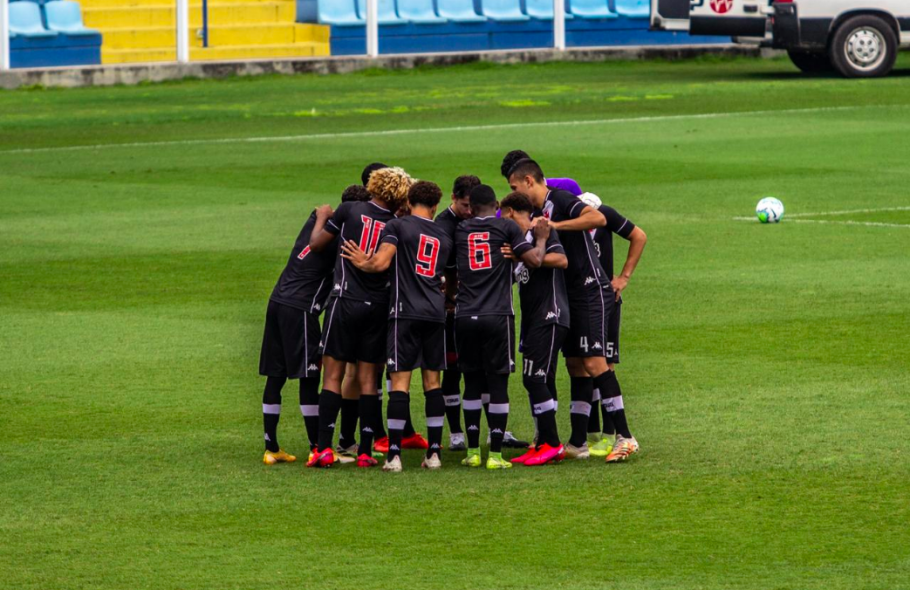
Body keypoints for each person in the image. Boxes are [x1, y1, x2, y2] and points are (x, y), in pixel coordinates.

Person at [507, 158, 616, 461]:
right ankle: (576, 442)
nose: (515, 193)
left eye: (515, 187)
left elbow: (596, 219)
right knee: (575, 367)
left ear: (529, 180)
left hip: (579, 297)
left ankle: (622, 436)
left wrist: (550, 231)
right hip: (566, 299)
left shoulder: (556, 204)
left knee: (592, 364)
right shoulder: (539, 217)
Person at [341, 181, 452, 472]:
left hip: (404, 313)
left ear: (409, 201)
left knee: (400, 385)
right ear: (435, 205)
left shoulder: (398, 227)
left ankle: (394, 455)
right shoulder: (444, 234)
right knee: (432, 384)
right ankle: (435, 453)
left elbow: (380, 263)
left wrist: (360, 261)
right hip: (435, 313)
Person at [306, 167, 413, 468]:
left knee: (334, 376)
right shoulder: (396, 224)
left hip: (345, 300)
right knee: (368, 379)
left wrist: (323, 218)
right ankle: (365, 450)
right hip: (378, 306)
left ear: (374, 185)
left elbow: (316, 245)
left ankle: (324, 448)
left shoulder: (349, 210)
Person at [257, 184, 370, 465]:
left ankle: (271, 447)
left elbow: (318, 221)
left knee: (277, 375)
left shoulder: (316, 222)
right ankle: (315, 447)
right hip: (301, 310)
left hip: (277, 302)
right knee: (309, 378)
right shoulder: (342, 238)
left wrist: (322, 215)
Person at [454, 184, 548, 469]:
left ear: (470, 208)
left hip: (464, 315)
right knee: (498, 382)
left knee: (470, 382)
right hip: (497, 316)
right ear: (496, 205)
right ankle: (495, 454)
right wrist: (541, 239)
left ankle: (471, 452)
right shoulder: (506, 228)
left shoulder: (460, 230)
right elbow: (534, 260)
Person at [499, 192, 570, 466]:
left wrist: (526, 256)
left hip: (550, 314)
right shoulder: (524, 241)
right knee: (541, 380)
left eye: (503, 215)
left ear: (512, 213)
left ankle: (552, 443)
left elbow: (561, 260)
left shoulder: (541, 230)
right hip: (535, 319)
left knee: (535, 380)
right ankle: (542, 442)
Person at [577, 192, 647, 462]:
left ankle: (612, 435)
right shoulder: (572, 220)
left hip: (606, 299)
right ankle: (592, 434)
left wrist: (624, 277)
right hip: (583, 299)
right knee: (584, 364)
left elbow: (639, 236)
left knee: (605, 363)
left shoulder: (606, 214)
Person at [433, 174, 479, 451]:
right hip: (451, 309)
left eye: (473, 205)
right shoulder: (442, 226)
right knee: (452, 371)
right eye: (464, 205)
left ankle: (495, 429)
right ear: (453, 198)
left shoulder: (479, 219)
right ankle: (455, 433)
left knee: (482, 370)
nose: (469, 211)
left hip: (478, 307)